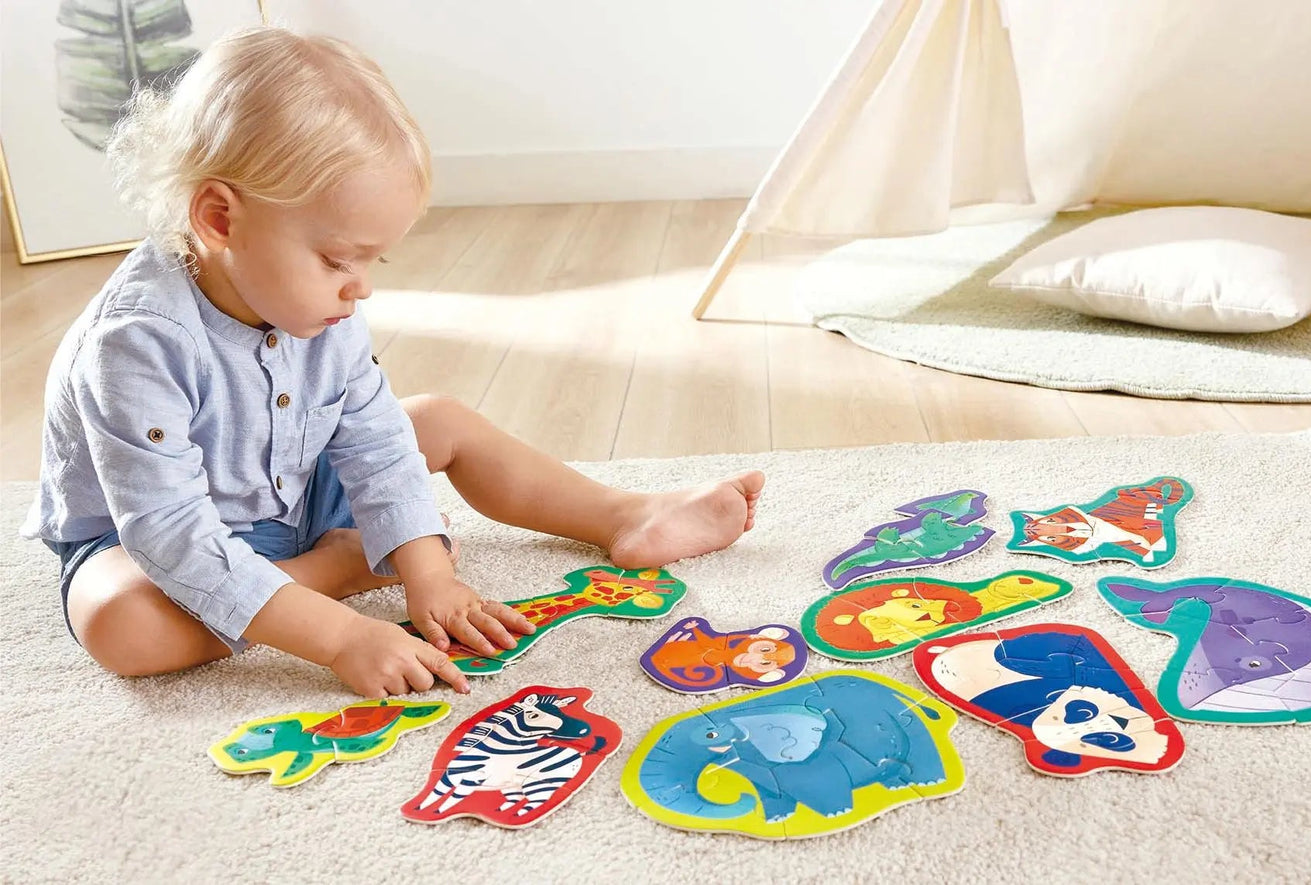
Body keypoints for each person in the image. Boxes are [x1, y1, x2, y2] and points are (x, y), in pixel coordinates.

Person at [19, 26, 764, 699]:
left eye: (374, 259)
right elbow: (171, 533)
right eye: (338, 258)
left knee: (437, 420)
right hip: (153, 540)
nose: (361, 286)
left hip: (295, 493)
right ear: (219, 219)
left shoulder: (321, 302)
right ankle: (338, 570)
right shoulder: (136, 342)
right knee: (122, 626)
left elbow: (374, 438)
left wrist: (429, 575)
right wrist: (340, 635)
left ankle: (623, 514)